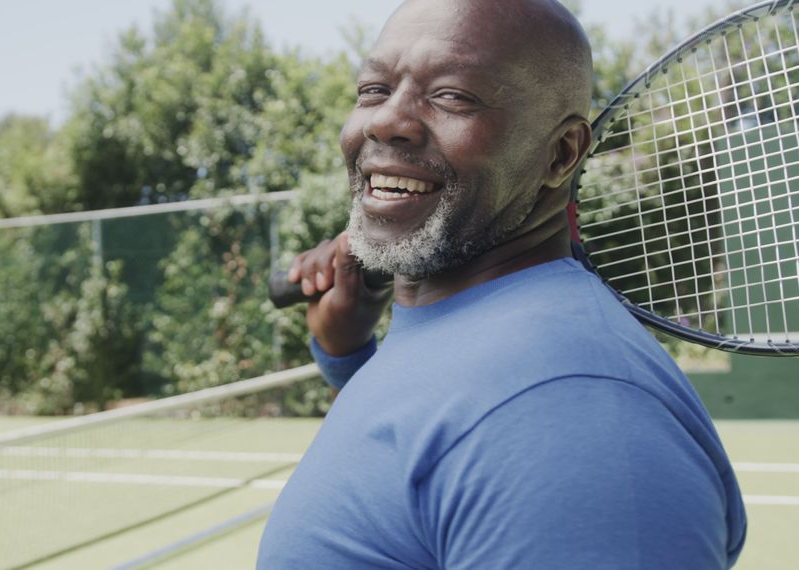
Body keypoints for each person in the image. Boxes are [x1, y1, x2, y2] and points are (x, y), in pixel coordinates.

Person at [257, 0, 747, 567]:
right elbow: (417, 469)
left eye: (453, 96)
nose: (385, 120)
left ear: (562, 155)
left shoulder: (570, 413)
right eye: (374, 88)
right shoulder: (471, 341)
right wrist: (347, 355)